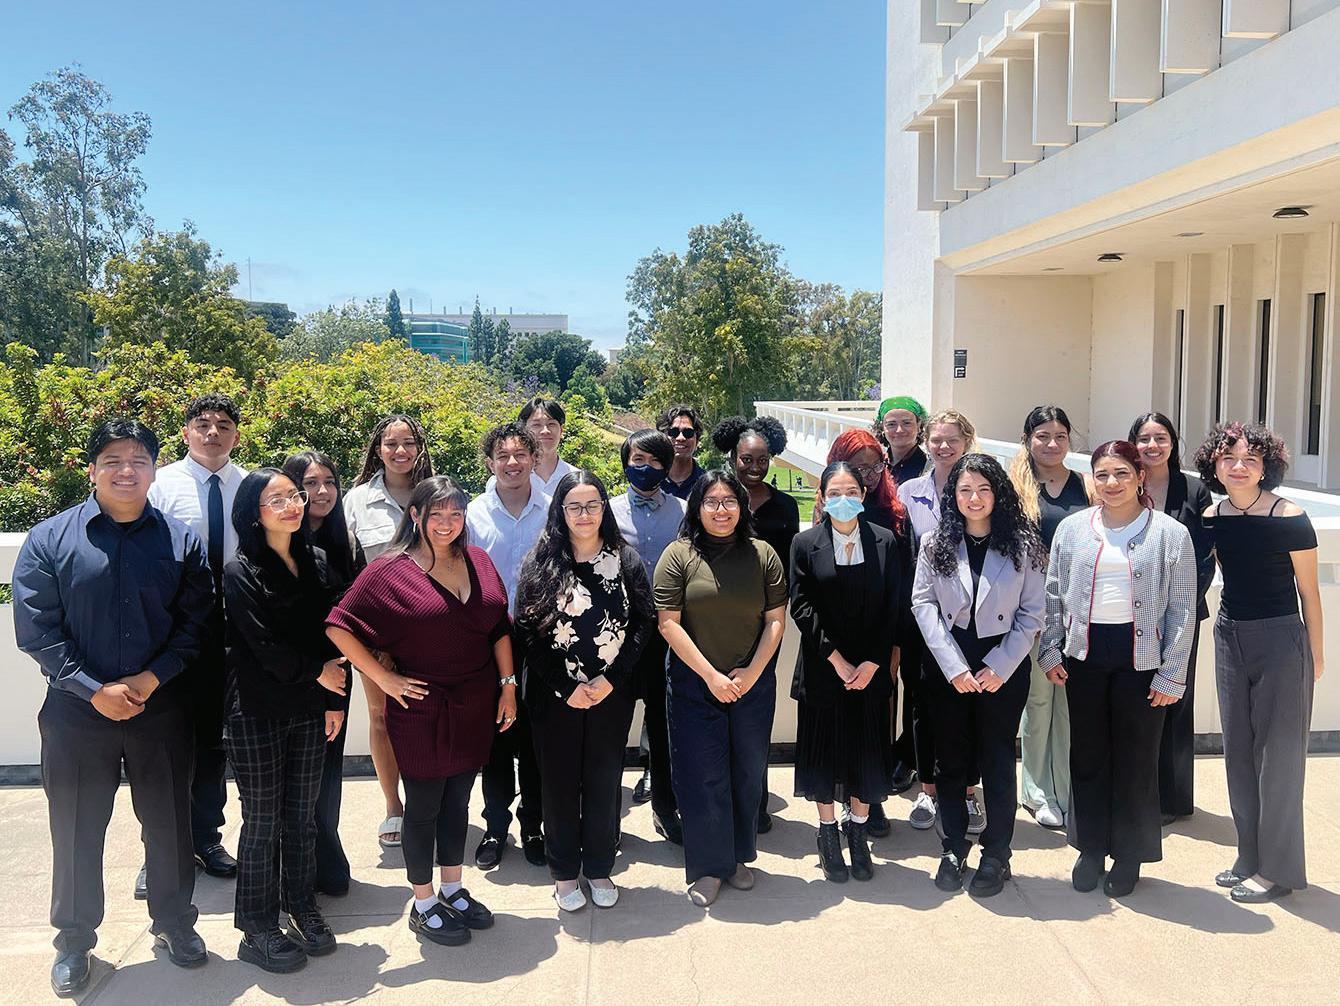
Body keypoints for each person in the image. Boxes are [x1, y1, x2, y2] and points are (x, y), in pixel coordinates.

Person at [14, 419, 213, 996]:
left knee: (169, 822)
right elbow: (37, 629)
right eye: (113, 460)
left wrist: (151, 679)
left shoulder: (180, 540)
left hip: (161, 708)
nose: (127, 470)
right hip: (76, 714)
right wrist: (92, 689)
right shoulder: (50, 539)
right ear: (92, 470)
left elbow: (196, 623)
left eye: (138, 460)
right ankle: (74, 941)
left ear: (154, 469)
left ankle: (174, 923)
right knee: (77, 825)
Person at [327, 477, 510, 946]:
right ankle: (424, 902)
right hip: (421, 708)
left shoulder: (478, 560)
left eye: (455, 513)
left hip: (474, 703)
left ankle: (453, 888)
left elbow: (498, 628)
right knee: (424, 807)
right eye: (436, 514)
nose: (447, 523)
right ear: (415, 516)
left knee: (458, 802)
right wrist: (384, 679)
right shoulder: (389, 570)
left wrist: (507, 687)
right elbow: (339, 626)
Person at [1041, 441, 1196, 898]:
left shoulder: (1169, 534)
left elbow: (1183, 609)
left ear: (1140, 477)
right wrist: (1051, 648)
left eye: (1122, 473)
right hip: (1084, 653)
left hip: (1141, 658)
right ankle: (1090, 848)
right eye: (1103, 475)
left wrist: (1172, 673)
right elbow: (1054, 591)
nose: (1112, 483)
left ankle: (1129, 854)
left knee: (1136, 759)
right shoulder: (1073, 529)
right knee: (1087, 755)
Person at [223, 469, 348, 972]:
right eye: (277, 500)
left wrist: (333, 698)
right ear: (253, 512)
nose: (293, 505)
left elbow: (330, 634)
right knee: (263, 822)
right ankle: (257, 927)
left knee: (301, 817)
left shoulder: (316, 560)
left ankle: (301, 907)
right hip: (256, 711)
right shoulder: (240, 571)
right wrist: (318, 673)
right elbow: (264, 646)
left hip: (309, 708)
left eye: (293, 496)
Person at [1194, 423, 1323, 903]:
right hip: (1230, 637)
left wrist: (1315, 656)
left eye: (1250, 458)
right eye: (1229, 458)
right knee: (1239, 753)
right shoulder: (1213, 517)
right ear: (1214, 464)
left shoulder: (1290, 517)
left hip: (1281, 640)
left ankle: (1278, 871)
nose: (1239, 466)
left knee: (1280, 760)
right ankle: (1249, 856)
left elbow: (1310, 593)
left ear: (1266, 465)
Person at [516, 472, 655, 910]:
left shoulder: (625, 559)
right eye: (574, 506)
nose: (584, 514)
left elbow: (644, 621)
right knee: (558, 785)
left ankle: (598, 867)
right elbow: (526, 630)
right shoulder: (541, 562)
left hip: (610, 694)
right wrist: (566, 687)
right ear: (560, 511)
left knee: (603, 781)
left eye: (592, 505)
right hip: (555, 696)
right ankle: (563, 873)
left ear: (603, 509)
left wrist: (611, 679)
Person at [913, 455, 1046, 896]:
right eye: (965, 490)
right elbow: (923, 604)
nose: (974, 498)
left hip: (1001, 664)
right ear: (953, 495)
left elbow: (1032, 613)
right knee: (950, 760)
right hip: (949, 663)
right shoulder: (935, 542)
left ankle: (997, 853)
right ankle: (953, 846)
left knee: (996, 761)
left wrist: (1000, 666)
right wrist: (954, 668)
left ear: (999, 493)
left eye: (984, 489)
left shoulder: (1024, 544)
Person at [654, 471, 787, 907]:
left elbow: (776, 621)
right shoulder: (678, 555)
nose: (721, 510)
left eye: (729, 501)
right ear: (697, 508)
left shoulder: (762, 554)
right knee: (702, 775)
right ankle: (710, 867)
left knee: (747, 773)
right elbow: (668, 624)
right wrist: (711, 675)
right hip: (695, 684)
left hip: (751, 683)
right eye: (711, 501)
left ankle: (737, 857)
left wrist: (750, 673)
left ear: (742, 507)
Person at [146, 393, 248, 891]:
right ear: (186, 431)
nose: (213, 433)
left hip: (231, 632)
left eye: (223, 425)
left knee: (212, 742)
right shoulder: (160, 485)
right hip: (169, 632)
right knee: (162, 743)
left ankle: (206, 838)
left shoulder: (251, 486)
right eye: (203, 424)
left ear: (236, 435)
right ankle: (158, 851)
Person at [791, 462, 908, 883]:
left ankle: (857, 831)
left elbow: (895, 604)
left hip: (870, 669)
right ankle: (827, 833)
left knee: (867, 752)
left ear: (863, 494)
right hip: (824, 667)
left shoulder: (884, 540)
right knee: (824, 753)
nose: (844, 499)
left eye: (852, 492)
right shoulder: (805, 543)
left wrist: (873, 662)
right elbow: (801, 605)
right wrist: (837, 660)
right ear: (822, 498)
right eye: (835, 492)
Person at [812, 428, 914, 828]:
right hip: (835, 644)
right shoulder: (827, 513)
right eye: (858, 467)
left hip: (881, 640)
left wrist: (889, 650)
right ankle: (844, 798)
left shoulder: (893, 514)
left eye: (875, 467)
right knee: (839, 722)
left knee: (877, 719)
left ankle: (873, 799)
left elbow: (898, 588)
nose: (868, 475)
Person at [342, 414, 434, 850]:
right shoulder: (357, 501)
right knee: (380, 717)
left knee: (430, 719)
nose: (400, 451)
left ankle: (428, 803)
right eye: (391, 443)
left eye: (408, 442)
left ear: (420, 446)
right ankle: (393, 806)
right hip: (376, 634)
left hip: (432, 630)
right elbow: (347, 570)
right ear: (377, 449)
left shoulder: (437, 493)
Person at [896, 409, 985, 835]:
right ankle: (928, 789)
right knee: (923, 704)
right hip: (924, 617)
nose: (944, 446)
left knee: (971, 707)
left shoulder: (982, 487)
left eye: (953, 439)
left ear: (967, 441)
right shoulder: (909, 492)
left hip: (974, 620)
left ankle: (967, 791)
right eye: (937, 439)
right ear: (926, 442)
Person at [467, 422, 551, 869]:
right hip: (489, 640)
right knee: (496, 740)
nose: (512, 463)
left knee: (537, 739)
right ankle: (496, 827)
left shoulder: (553, 511)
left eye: (521, 454)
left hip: (542, 641)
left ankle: (534, 825)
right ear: (489, 462)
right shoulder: (472, 514)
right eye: (503, 455)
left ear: (534, 459)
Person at [711, 416, 800, 834]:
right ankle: (722, 803)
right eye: (746, 458)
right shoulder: (717, 500)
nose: (754, 466)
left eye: (762, 459)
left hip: (767, 624)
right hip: (717, 621)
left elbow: (791, 565)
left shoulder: (785, 506)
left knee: (755, 714)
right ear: (733, 456)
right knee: (718, 713)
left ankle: (755, 802)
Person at [1129, 412, 1215, 825]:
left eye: (1160, 437)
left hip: (1182, 613)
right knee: (1139, 702)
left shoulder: (1194, 490)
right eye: (1144, 438)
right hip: (1130, 615)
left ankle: (1173, 798)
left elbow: (1207, 557)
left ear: (1173, 442)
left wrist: (1181, 604)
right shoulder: (1125, 483)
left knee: (1176, 700)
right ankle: (1139, 793)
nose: (1152, 446)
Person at [282, 451, 360, 896]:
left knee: (327, 774)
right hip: (291, 675)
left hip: (336, 676)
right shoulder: (276, 541)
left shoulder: (345, 542)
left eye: (329, 482)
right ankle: (291, 863)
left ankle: (324, 851)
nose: (322, 491)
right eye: (310, 483)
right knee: (291, 775)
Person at [1009, 405, 1091, 830]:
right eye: (1042, 435)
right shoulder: (1014, 487)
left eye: (1060, 435)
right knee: (1039, 701)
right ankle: (1038, 790)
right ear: (1028, 439)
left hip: (1080, 611)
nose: (1052, 443)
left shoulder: (1087, 485)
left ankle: (1067, 787)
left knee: (1072, 703)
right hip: (1033, 612)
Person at [609, 429, 688, 843]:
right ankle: (606, 818)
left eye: (656, 461)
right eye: (638, 459)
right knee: (612, 726)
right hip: (616, 633)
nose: (646, 468)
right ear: (626, 462)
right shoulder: (607, 510)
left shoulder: (684, 511)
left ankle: (665, 806)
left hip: (666, 633)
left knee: (663, 724)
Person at [873, 395, 931, 486]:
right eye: (891, 424)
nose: (899, 430)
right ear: (882, 427)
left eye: (907, 423)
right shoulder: (875, 466)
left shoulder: (929, 468)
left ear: (919, 425)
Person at [657, 404, 707, 500]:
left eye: (688, 433)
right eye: (673, 432)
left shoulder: (707, 484)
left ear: (697, 440)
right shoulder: (651, 481)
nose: (681, 438)